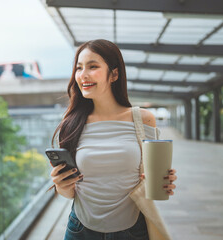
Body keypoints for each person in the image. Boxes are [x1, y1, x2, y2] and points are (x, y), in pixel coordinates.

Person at [49, 39, 177, 240]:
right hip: (81, 229)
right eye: (79, 68)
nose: (83, 75)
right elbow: (70, 193)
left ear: (114, 74)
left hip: (133, 230)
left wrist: (163, 182)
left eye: (93, 66)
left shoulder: (143, 119)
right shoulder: (71, 124)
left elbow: (154, 181)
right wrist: (60, 185)